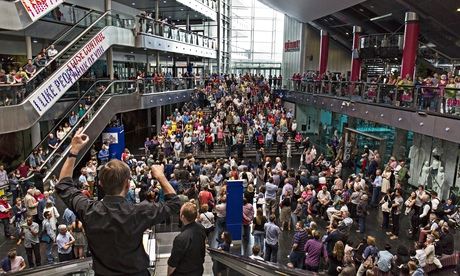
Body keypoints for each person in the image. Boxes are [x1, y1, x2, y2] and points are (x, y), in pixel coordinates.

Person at [56, 128, 181, 275]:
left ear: (101, 184)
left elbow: (64, 185)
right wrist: (160, 176)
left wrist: (74, 150)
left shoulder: (88, 209)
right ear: (128, 185)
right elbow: (174, 203)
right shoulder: (140, 212)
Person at [168, 202, 206, 275]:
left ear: (182, 217)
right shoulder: (201, 227)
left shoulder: (180, 238)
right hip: (198, 270)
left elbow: (173, 262)